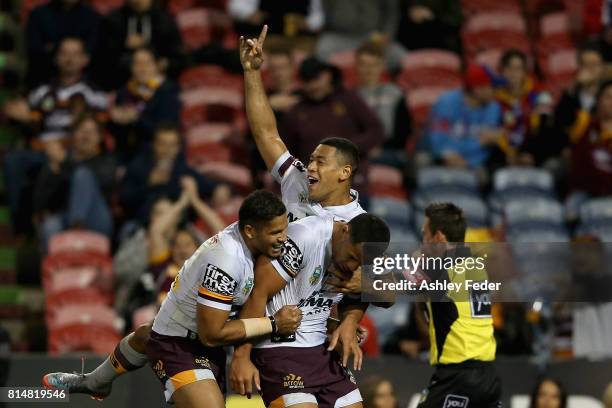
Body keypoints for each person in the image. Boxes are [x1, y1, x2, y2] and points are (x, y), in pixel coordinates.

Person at [44, 190, 303, 406]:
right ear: (249, 231)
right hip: (179, 344)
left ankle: (95, 381)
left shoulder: (249, 240)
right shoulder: (226, 261)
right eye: (275, 233)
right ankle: (95, 381)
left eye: (284, 229)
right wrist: (273, 324)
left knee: (146, 335)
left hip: (200, 343)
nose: (283, 238)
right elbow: (211, 333)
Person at [229, 212, 391, 408]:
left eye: (360, 263)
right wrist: (241, 357)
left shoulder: (366, 248)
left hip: (320, 349)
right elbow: (258, 293)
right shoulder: (305, 237)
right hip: (279, 349)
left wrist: (355, 307)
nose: (352, 267)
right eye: (351, 257)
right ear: (345, 230)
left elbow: (389, 297)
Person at [242, 26, 368, 222]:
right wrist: (252, 72)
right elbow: (265, 133)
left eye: (321, 162)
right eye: (311, 160)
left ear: (344, 172)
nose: (310, 167)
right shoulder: (297, 179)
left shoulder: (357, 223)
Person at [415, 203, 501, 408]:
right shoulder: (477, 267)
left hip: (458, 377)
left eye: (424, 234)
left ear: (439, 237)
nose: (422, 243)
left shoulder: (441, 268)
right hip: (488, 377)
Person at [33, 113, 116, 248]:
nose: (86, 136)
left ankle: (76, 231)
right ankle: (54, 267)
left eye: (91, 132)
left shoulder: (107, 161)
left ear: (100, 137)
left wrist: (65, 162)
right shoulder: (58, 163)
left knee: (82, 175)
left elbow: (107, 182)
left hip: (97, 218)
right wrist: (53, 175)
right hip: (66, 216)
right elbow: (40, 203)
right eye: (82, 131)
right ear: (73, 134)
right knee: (50, 225)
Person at [119, 123, 216, 224]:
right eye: (162, 144)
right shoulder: (139, 167)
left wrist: (220, 189)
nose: (167, 150)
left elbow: (208, 188)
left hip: (177, 226)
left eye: (172, 145)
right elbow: (124, 200)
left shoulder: (182, 170)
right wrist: (148, 183)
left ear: (178, 148)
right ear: (154, 144)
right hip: (142, 225)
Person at [425, 64, 502, 172]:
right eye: (491, 87)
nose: (494, 91)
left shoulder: (493, 107)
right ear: (478, 89)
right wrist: (477, 143)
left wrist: (468, 162)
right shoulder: (446, 103)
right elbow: (438, 143)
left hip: (476, 165)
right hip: (444, 161)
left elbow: (486, 148)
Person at [109, 47, 181, 161]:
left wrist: (137, 119)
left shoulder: (168, 91)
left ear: (157, 66)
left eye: (147, 64)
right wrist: (114, 119)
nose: (142, 69)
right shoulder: (124, 92)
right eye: (137, 64)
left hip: (155, 155)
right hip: (125, 154)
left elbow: (166, 132)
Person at [95, 0, 183, 90]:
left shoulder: (165, 19)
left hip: (159, 81)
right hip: (122, 82)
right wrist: (123, 43)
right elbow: (102, 56)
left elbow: (179, 56)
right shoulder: (113, 20)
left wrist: (164, 63)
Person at [492, 49, 555, 167]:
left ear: (525, 72)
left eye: (518, 68)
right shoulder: (495, 99)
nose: (513, 73)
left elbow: (545, 128)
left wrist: (531, 153)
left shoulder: (540, 94)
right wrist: (508, 153)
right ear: (502, 71)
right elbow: (494, 129)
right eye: (509, 68)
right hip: (503, 154)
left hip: (533, 152)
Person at [354, 41, 411, 170]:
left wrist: (381, 148)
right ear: (356, 66)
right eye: (364, 65)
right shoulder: (348, 97)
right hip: (358, 152)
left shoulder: (395, 94)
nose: (369, 70)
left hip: (389, 151)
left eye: (373, 65)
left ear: (382, 66)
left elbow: (403, 132)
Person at [26, 0, 101, 88]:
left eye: (75, 54)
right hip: (43, 80)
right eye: (64, 53)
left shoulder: (91, 17)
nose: (69, 59)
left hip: (85, 83)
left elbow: (93, 52)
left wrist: (53, 46)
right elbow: (35, 51)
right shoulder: (39, 15)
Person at [315, 0, 405, 72]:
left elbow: (392, 12)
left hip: (371, 36)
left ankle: (389, 87)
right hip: (339, 35)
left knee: (398, 55)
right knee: (322, 50)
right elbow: (320, 13)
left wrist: (386, 34)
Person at [396, 0, 462, 53]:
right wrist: (410, 13)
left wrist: (432, 16)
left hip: (441, 39)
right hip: (409, 39)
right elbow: (395, 14)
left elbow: (456, 20)